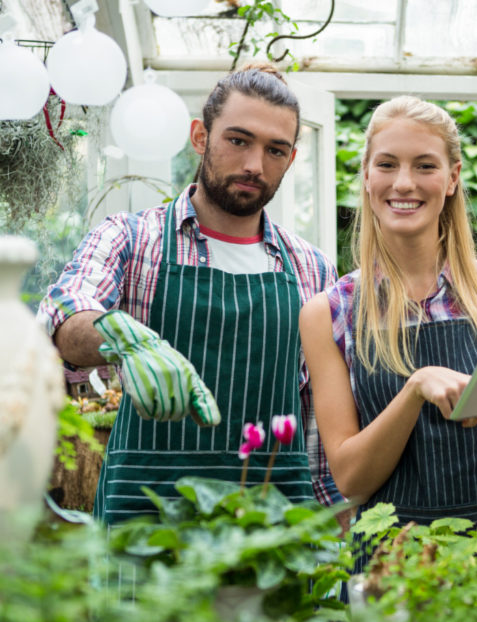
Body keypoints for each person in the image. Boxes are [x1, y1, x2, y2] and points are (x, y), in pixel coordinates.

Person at [37, 64, 343, 525]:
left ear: (291, 158)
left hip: (272, 526)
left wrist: (331, 522)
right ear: (200, 137)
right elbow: (62, 317)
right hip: (146, 515)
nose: (255, 165)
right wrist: (122, 339)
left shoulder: (312, 269)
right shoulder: (133, 239)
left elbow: (320, 414)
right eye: (238, 141)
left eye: (275, 150)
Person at [299, 96, 477, 568]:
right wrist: (415, 389)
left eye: (425, 165)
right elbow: (351, 481)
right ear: (366, 175)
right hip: (390, 563)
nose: (404, 183)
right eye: (387, 164)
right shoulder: (330, 312)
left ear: (452, 178)